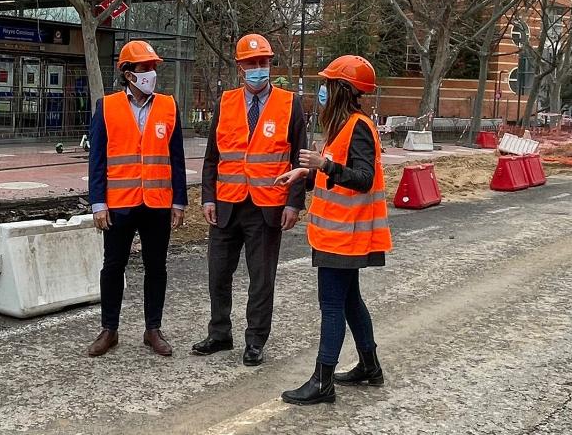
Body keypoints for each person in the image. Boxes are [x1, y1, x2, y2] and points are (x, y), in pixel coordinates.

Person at [274, 55, 392, 405]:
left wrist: (323, 163)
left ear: (341, 89)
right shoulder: (343, 126)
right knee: (350, 301)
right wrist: (306, 173)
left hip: (345, 236)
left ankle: (322, 381)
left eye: (327, 84)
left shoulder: (357, 127)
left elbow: (363, 178)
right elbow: (336, 174)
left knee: (332, 306)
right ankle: (370, 367)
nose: (321, 90)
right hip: (338, 234)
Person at [192, 33, 307, 366]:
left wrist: (293, 203)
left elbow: (300, 159)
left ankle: (255, 340)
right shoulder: (225, 102)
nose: (259, 69)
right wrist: (208, 197)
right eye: (252, 63)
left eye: (264, 63)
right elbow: (213, 157)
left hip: (267, 207)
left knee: (261, 277)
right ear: (240, 67)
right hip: (227, 205)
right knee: (218, 274)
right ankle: (219, 333)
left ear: (269, 64)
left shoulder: (289, 104)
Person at [86, 40, 187, 358]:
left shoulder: (168, 106)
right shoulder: (108, 106)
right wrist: (98, 202)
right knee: (113, 266)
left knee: (156, 266)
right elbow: (97, 159)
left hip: (157, 202)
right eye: (145, 68)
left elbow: (177, 158)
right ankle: (109, 330)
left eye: (153, 68)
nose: (151, 74)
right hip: (119, 203)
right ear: (128, 74)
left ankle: (152, 329)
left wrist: (180, 201)